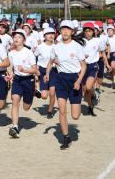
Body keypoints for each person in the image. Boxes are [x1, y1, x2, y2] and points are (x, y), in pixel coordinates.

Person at [45, 20, 86, 149]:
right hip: (60, 79)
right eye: (63, 29)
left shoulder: (77, 46)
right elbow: (50, 62)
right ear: (60, 31)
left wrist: (79, 81)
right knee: (62, 111)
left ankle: (68, 132)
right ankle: (66, 137)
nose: (65, 31)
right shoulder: (56, 47)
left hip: (74, 79)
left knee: (75, 116)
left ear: (72, 32)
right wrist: (47, 74)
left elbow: (83, 66)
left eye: (68, 29)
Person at [6, 29, 38, 139]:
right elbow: (13, 70)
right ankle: (15, 127)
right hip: (18, 80)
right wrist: (11, 76)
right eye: (15, 37)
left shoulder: (28, 53)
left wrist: (25, 70)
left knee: (26, 107)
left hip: (29, 80)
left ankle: (33, 92)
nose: (16, 39)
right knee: (15, 100)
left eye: (19, 37)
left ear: (24, 40)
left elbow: (35, 70)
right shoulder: (11, 53)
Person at [81, 22, 105, 116]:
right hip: (82, 67)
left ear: (94, 31)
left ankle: (94, 93)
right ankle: (90, 106)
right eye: (86, 31)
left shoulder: (97, 41)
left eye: (90, 31)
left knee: (89, 87)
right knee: (85, 91)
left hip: (93, 66)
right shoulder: (80, 41)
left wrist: (106, 63)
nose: (88, 33)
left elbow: (103, 51)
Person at [35, 27, 57, 119]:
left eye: (52, 33)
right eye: (48, 34)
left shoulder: (57, 46)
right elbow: (34, 58)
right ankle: (36, 91)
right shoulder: (40, 47)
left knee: (52, 93)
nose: (51, 35)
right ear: (44, 36)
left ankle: (50, 111)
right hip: (43, 71)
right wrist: (36, 71)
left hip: (54, 71)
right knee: (44, 96)